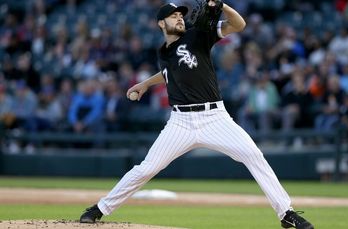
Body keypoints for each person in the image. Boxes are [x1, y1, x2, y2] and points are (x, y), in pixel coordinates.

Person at [79, 2, 314, 229]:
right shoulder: (164, 52)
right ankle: (99, 209)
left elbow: (239, 24)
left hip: (215, 118)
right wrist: (146, 83)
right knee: (146, 169)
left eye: (181, 14)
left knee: (253, 155)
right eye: (174, 15)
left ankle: (286, 213)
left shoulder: (197, 35)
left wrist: (221, 6)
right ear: (161, 23)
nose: (180, 17)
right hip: (180, 123)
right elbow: (169, 71)